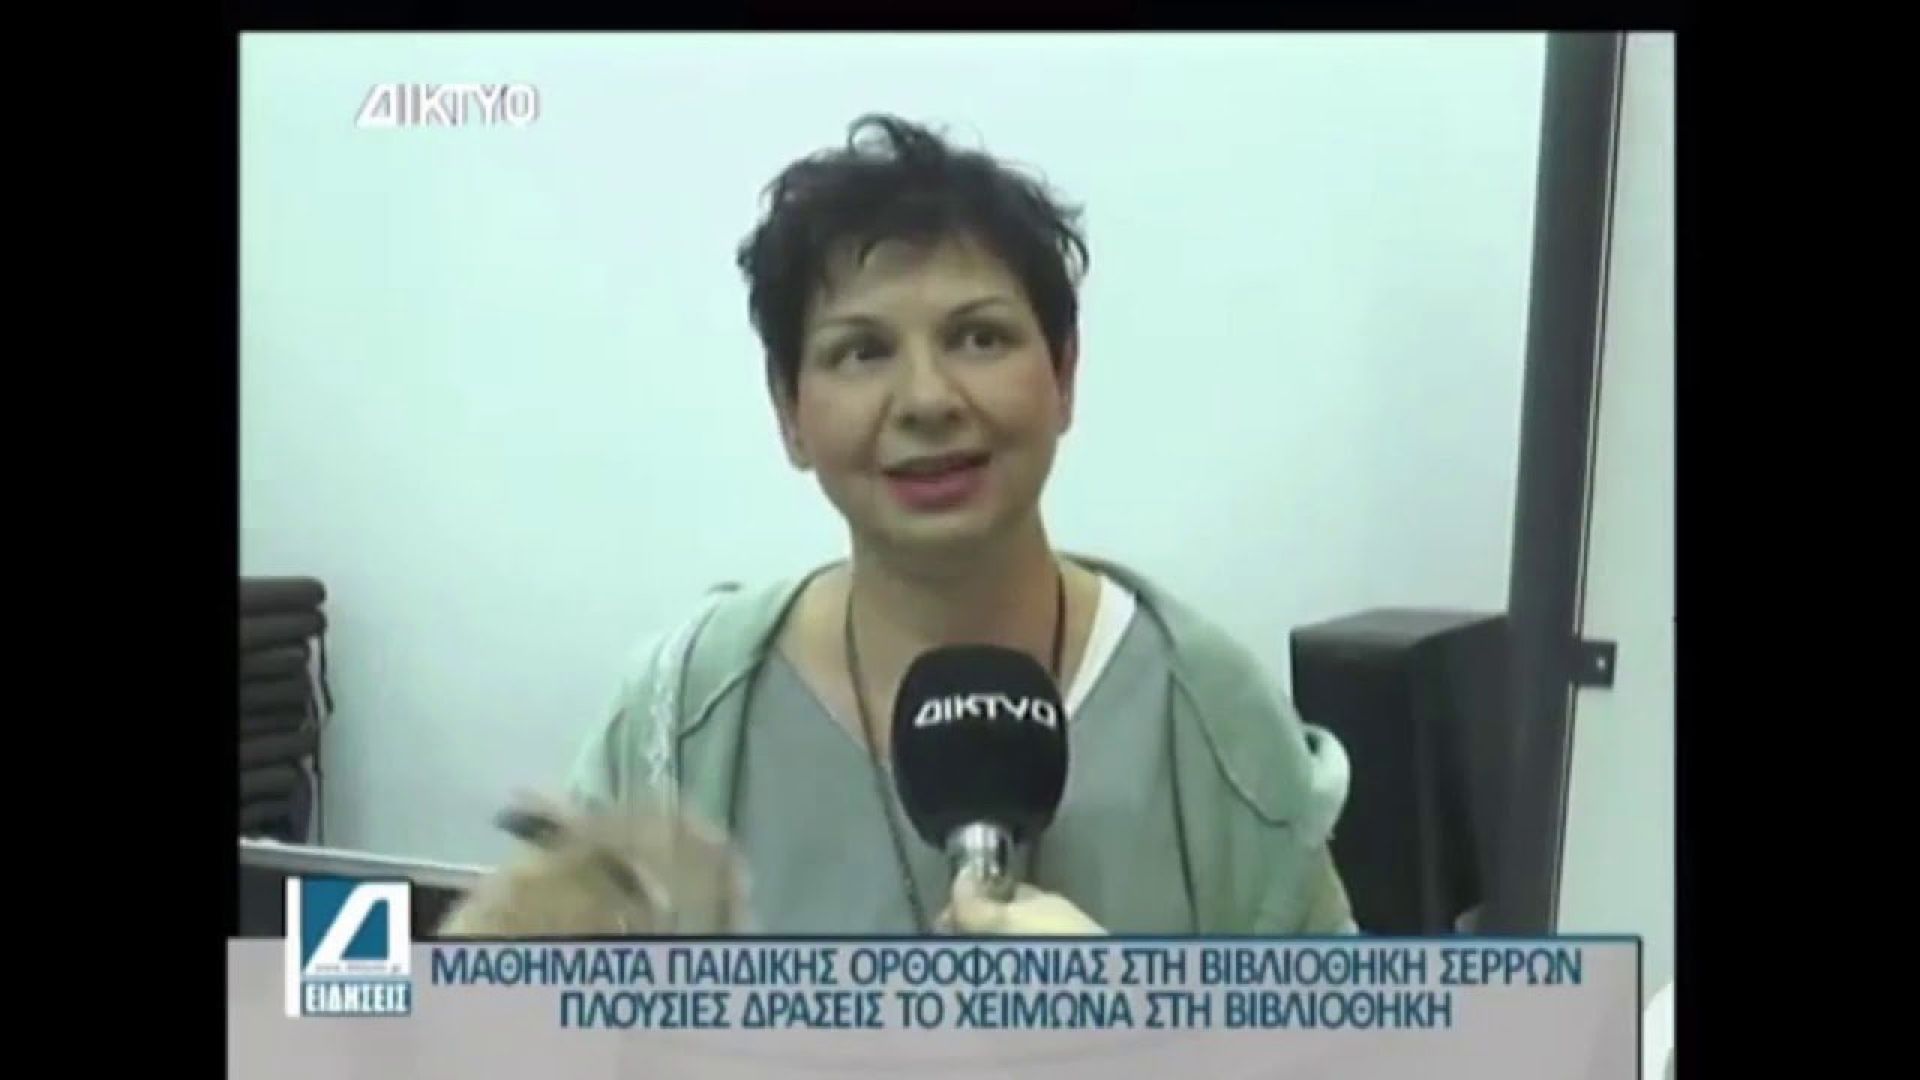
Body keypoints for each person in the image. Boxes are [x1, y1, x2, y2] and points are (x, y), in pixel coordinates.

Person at [566, 113, 1356, 936]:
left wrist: (1129, 1007)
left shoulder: (1213, 719)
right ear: (789, 411)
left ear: (1064, 374)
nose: (928, 400)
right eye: (861, 352)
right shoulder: (679, 717)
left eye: (979, 338)